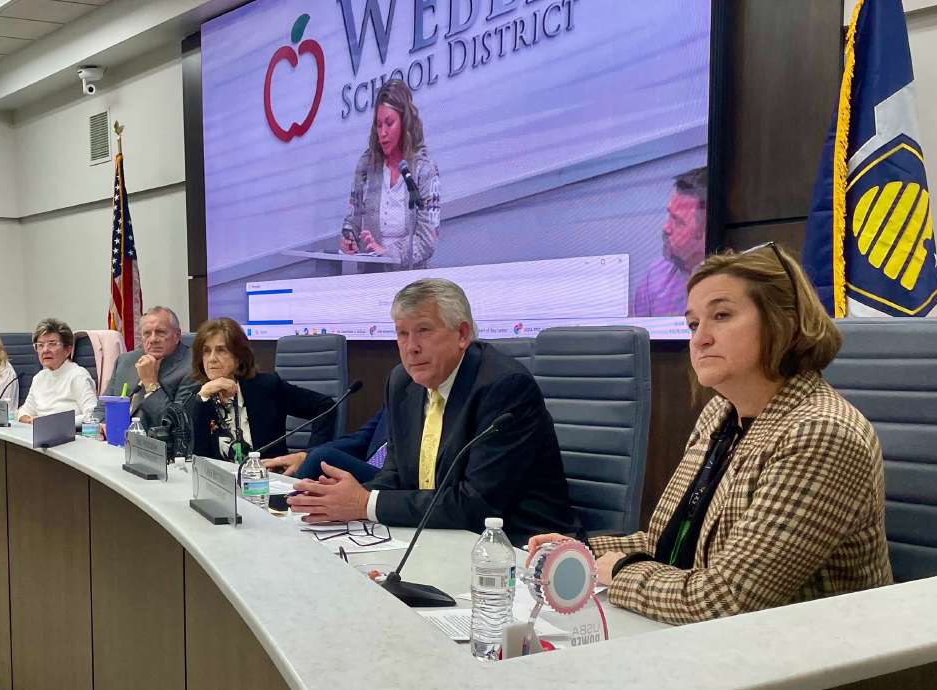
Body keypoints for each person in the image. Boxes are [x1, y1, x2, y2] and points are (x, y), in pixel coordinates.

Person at [529, 244, 893, 625]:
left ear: (783, 322)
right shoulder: (720, 414)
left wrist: (620, 572)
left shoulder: (820, 433)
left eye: (721, 315)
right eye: (692, 324)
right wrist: (581, 551)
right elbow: (672, 545)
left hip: (811, 659)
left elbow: (725, 601)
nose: (700, 338)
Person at [288, 278, 581, 547]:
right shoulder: (403, 382)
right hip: (438, 535)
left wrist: (365, 504)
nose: (411, 347)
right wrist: (342, 501)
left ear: (462, 333)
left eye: (423, 331)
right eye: (402, 334)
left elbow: (476, 504)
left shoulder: (503, 387)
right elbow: (396, 476)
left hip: (520, 548)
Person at [186, 318, 335, 461]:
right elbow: (197, 457)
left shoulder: (266, 388)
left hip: (269, 480)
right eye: (206, 351)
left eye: (221, 350)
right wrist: (203, 399)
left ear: (239, 357)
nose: (211, 358)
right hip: (220, 484)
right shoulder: (198, 398)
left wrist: (309, 456)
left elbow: (326, 406)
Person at [339, 79, 441, 271]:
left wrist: (387, 253)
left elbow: (428, 240)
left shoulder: (424, 169)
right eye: (378, 125)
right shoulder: (366, 165)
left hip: (411, 285)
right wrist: (349, 237)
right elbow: (353, 218)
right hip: (371, 281)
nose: (382, 133)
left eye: (389, 123)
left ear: (405, 123)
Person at [633, 167, 708, 317]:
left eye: (678, 221)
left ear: (706, 231)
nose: (666, 228)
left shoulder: (733, 280)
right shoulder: (654, 277)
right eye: (670, 216)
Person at [101, 306, 191, 428]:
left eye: (160, 332)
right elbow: (102, 407)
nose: (153, 339)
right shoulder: (125, 361)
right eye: (147, 334)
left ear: (177, 336)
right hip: (114, 440)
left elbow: (179, 426)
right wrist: (100, 425)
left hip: (156, 443)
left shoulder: (192, 366)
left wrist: (151, 384)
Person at [263, 406, 387, 484]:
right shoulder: (397, 384)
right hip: (371, 471)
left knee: (322, 457)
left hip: (396, 482)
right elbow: (361, 438)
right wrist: (304, 456)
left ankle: (284, 504)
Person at [17, 318, 98, 424]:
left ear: (67, 350)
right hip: (40, 433)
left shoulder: (78, 376)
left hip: (67, 436)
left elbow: (92, 415)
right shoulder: (39, 377)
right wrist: (30, 419)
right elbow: (24, 411)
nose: (45, 350)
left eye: (52, 344)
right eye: (40, 345)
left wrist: (52, 423)